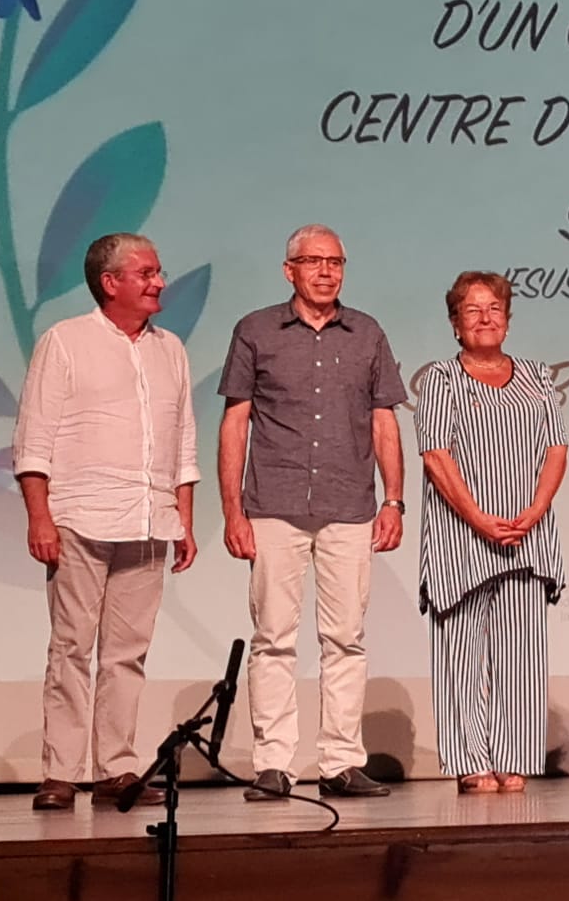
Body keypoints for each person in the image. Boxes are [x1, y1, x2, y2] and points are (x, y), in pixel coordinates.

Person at [219, 224, 408, 800]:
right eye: (313, 261)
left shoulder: (366, 333)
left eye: (336, 262)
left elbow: (384, 420)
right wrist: (232, 511)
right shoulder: (255, 330)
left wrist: (394, 499)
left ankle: (341, 762)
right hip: (273, 505)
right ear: (290, 270)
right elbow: (235, 423)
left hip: (349, 505)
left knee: (346, 638)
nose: (326, 272)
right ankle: (273, 764)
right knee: (273, 637)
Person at [14, 233, 199, 811]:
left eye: (159, 271)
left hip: (149, 522)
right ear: (110, 282)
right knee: (71, 647)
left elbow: (183, 441)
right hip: (80, 519)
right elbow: (33, 440)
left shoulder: (170, 349)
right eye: (147, 273)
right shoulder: (65, 342)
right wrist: (40, 518)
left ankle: (115, 768)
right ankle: (60, 773)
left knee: (126, 653)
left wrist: (183, 520)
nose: (159, 282)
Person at [414, 272, 568, 793]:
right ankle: (470, 760)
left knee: (522, 653)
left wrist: (536, 509)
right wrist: (479, 519)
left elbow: (556, 449)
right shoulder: (441, 378)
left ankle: (514, 755)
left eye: (494, 308)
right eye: (472, 310)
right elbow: (436, 455)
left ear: (508, 318)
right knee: (460, 652)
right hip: (462, 537)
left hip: (527, 533)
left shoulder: (538, 376)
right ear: (455, 323)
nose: (485, 318)